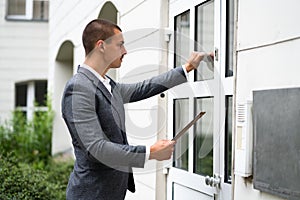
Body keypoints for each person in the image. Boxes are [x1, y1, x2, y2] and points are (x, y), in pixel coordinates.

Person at [61, 19, 207, 200]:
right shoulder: (78, 88)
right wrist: (150, 152)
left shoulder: (107, 84)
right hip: (92, 194)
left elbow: (144, 87)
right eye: (120, 45)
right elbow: (96, 149)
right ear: (101, 46)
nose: (125, 51)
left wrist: (188, 67)